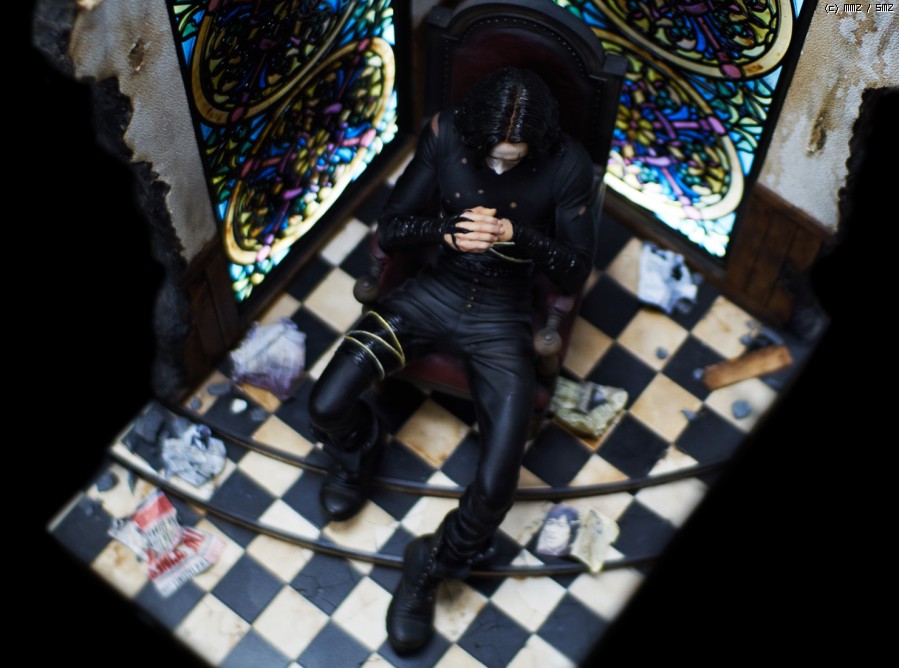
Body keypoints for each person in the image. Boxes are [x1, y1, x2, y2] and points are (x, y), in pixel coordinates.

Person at [308, 66, 599, 654]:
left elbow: (574, 270)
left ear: (536, 142)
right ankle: (361, 449)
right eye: (492, 156)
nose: (501, 166)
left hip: (502, 316)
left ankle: (433, 563)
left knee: (497, 485)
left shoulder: (568, 164)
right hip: (432, 294)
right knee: (325, 403)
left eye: (514, 157)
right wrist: (446, 231)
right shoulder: (445, 133)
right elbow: (392, 228)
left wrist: (516, 234)